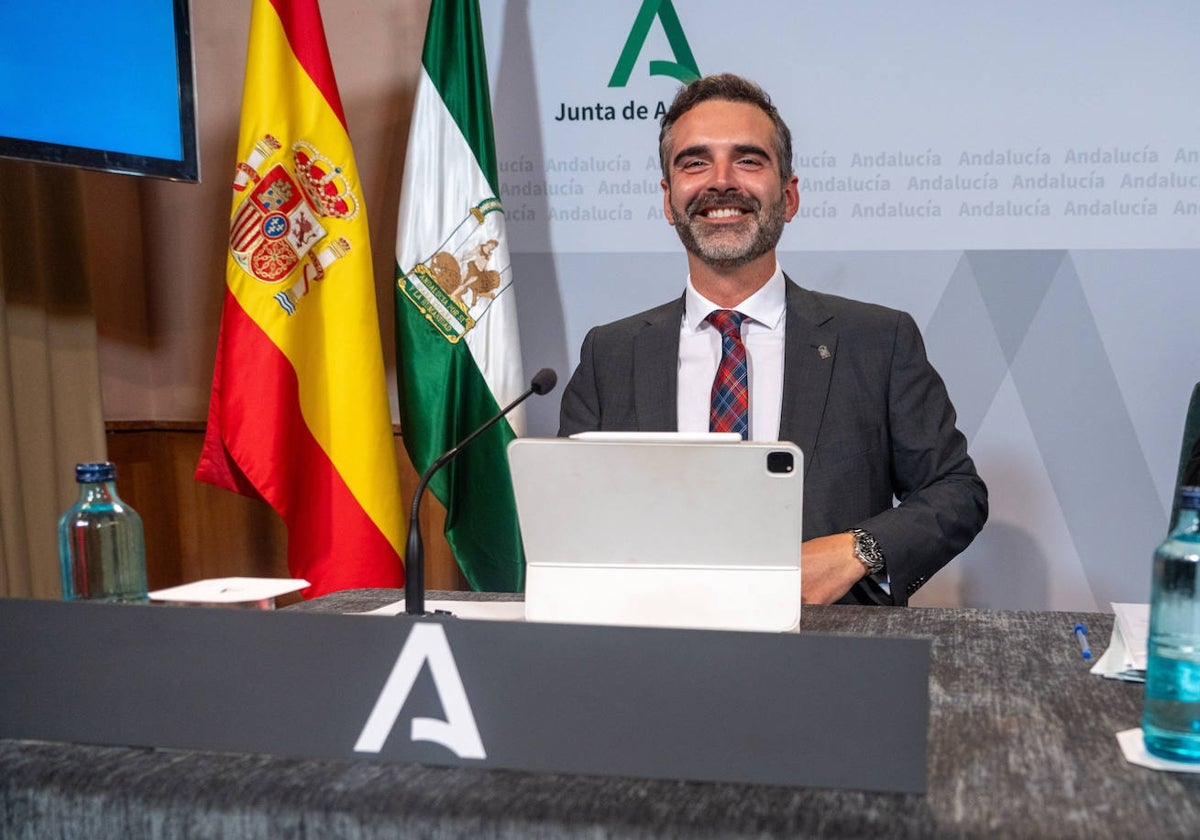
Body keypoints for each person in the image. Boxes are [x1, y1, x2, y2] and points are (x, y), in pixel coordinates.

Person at [558, 74, 987, 606]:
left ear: (788, 196)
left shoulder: (878, 341)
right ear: (669, 201)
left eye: (748, 160)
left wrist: (858, 550)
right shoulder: (610, 355)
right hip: (654, 655)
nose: (721, 182)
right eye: (695, 163)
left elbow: (956, 492)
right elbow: (570, 524)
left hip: (830, 663)